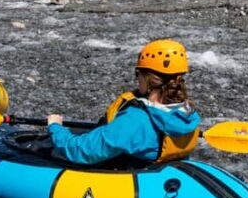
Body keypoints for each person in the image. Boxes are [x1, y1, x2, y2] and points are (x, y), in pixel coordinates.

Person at [47, 39, 201, 167]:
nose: (136, 79)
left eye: (137, 73)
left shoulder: (135, 120)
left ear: (147, 78)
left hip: (136, 178)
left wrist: (55, 127)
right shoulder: (188, 113)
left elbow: (82, 151)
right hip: (163, 175)